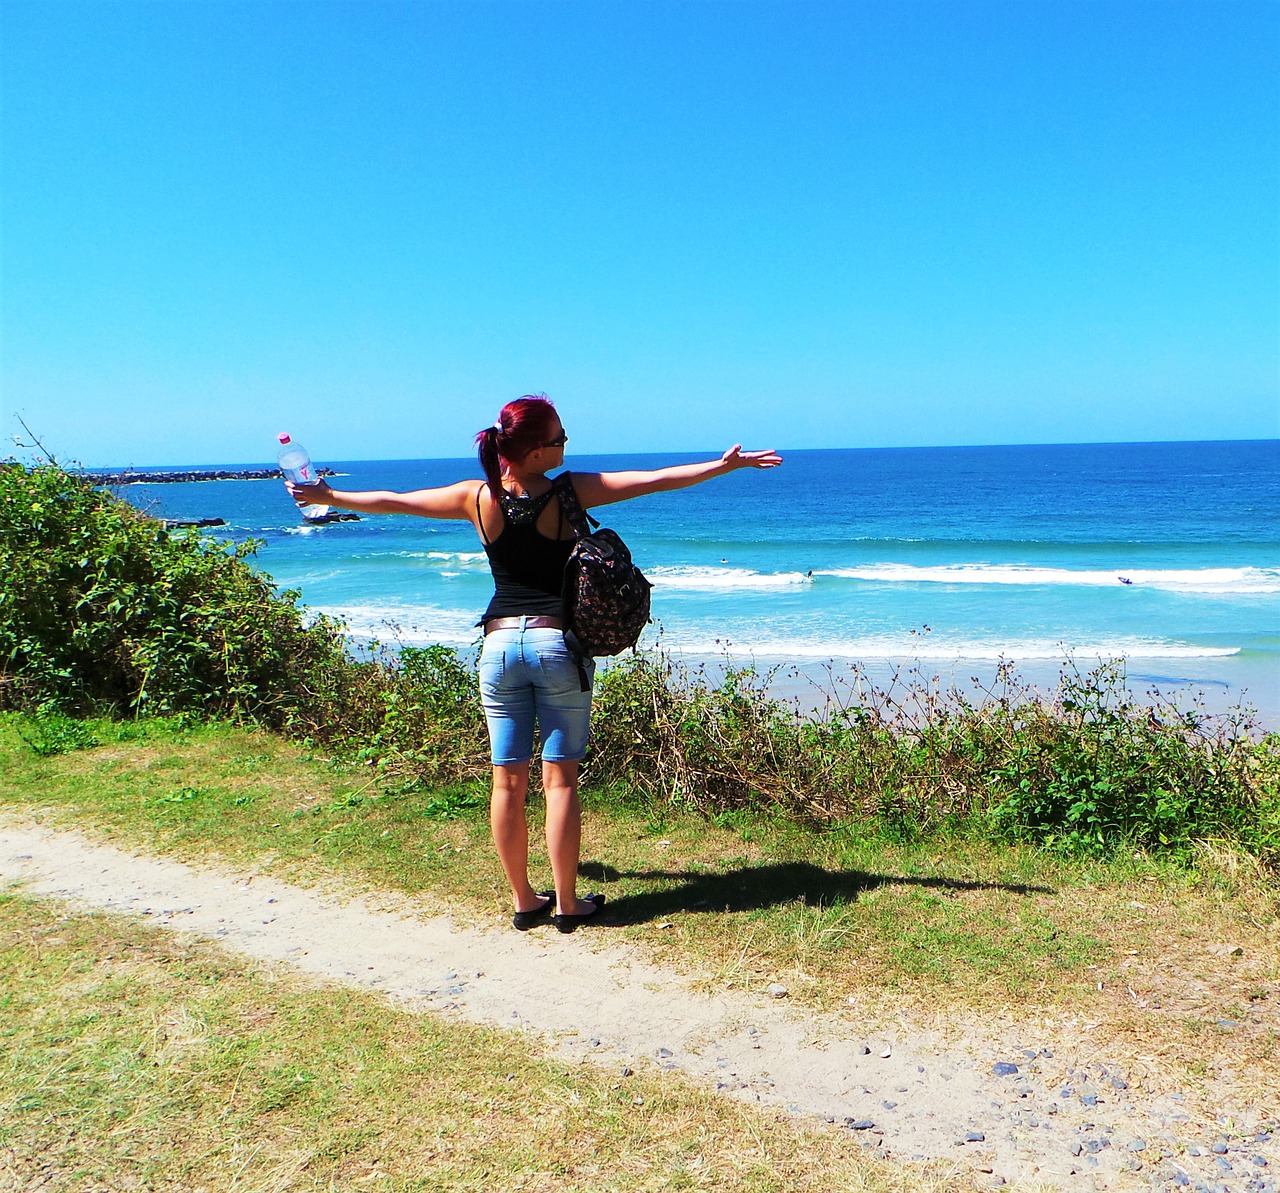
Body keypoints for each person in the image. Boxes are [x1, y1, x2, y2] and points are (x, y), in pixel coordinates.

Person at [287, 395, 782, 932]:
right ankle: (568, 903)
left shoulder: (475, 497)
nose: (567, 445)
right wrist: (723, 466)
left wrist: (329, 494)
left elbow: (394, 501)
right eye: (560, 439)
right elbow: (656, 479)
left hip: (498, 648)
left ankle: (525, 900)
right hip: (555, 646)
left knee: (507, 782)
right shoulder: (571, 491)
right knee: (560, 781)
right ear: (536, 449)